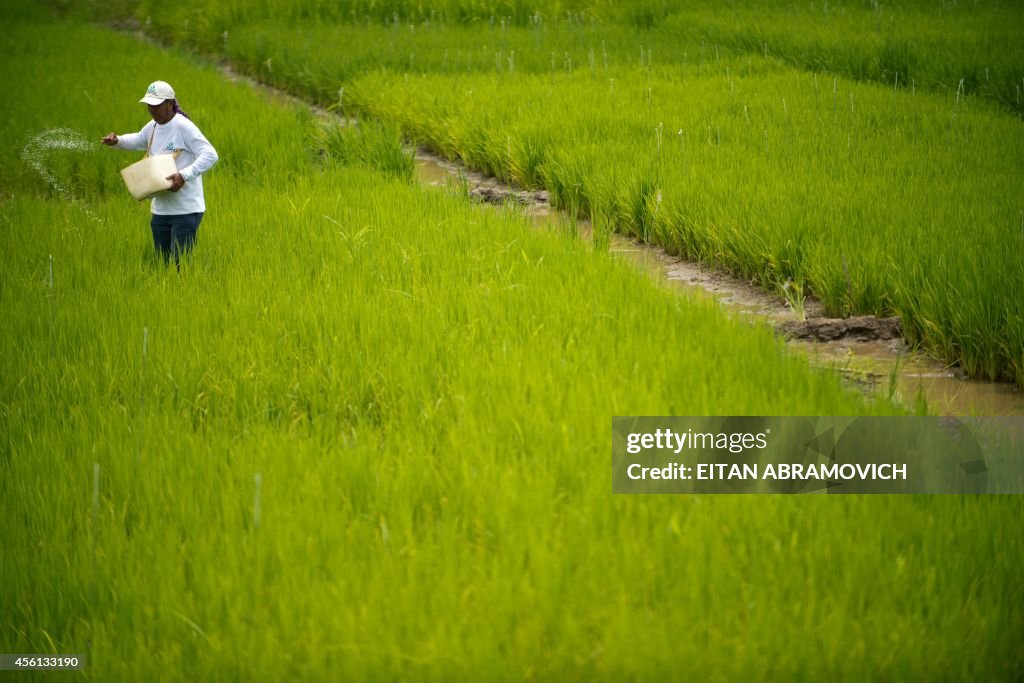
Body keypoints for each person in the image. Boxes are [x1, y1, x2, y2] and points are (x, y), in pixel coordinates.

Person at [103, 80, 219, 266]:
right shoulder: (154, 127)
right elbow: (139, 139)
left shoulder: (183, 127)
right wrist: (118, 141)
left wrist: (184, 175)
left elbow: (211, 154)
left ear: (170, 104)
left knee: (180, 266)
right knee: (163, 265)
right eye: (149, 105)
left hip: (186, 210)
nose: (152, 110)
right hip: (161, 210)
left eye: (156, 105)